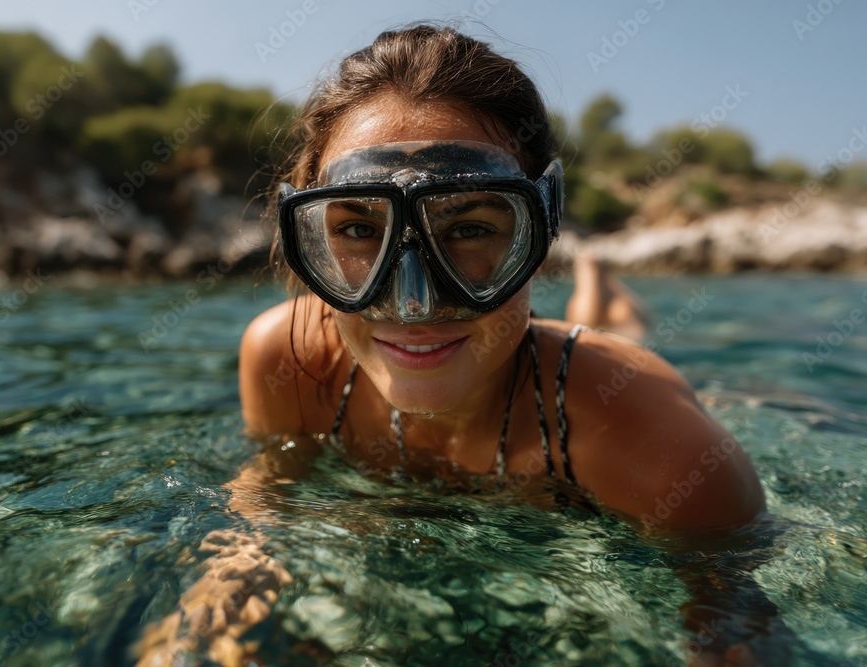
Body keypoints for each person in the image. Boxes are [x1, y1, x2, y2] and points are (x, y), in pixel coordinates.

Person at [137, 24, 778, 667]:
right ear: (310, 242)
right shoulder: (287, 359)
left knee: (615, 342)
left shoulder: (657, 442)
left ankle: (596, 286)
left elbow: (732, 622)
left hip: (589, 374)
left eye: (470, 227)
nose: (413, 303)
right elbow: (268, 491)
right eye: (358, 229)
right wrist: (221, 591)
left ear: (540, 230)